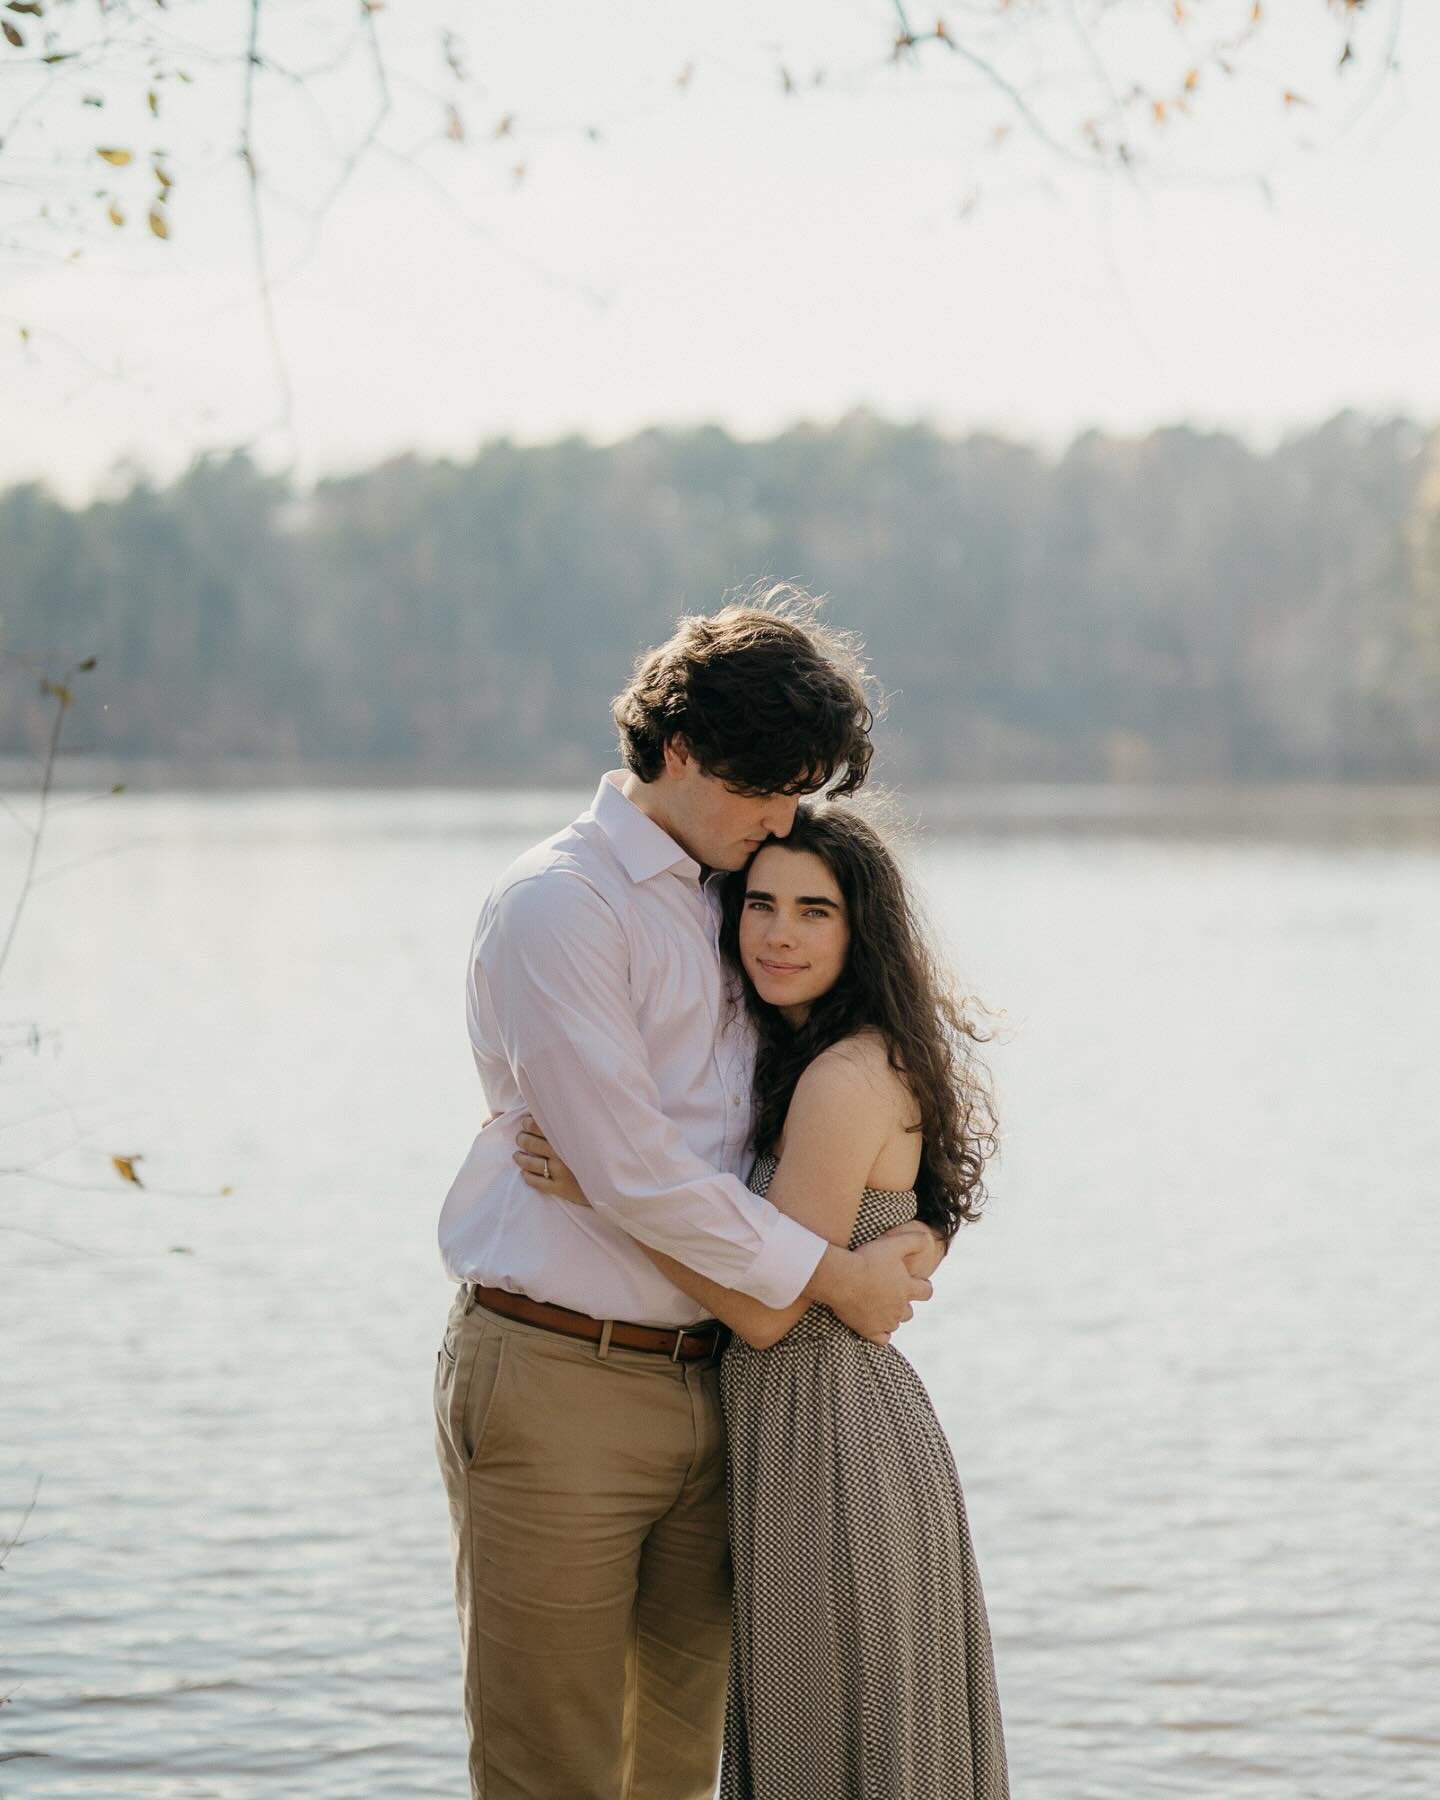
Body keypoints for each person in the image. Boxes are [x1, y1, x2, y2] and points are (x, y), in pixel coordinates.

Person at [433, 589, 941, 1800]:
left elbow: (858, 1077)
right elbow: (638, 1170)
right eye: (762, 787)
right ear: (674, 752)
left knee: (679, 1768)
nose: (783, 817)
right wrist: (839, 1280)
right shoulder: (563, 906)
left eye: (797, 791)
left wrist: (909, 1228)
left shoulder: (743, 892)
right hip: (562, 1381)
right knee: (553, 1765)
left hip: (726, 1388)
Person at [517, 801, 1009, 1798]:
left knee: (825, 1754)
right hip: (820, 1434)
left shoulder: (842, 1076)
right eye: (762, 905)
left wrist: (606, 1190)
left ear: (859, 928)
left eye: (815, 911)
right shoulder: (833, 1053)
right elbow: (902, 1218)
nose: (779, 933)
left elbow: (766, 1310)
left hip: (827, 1438)